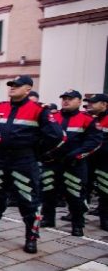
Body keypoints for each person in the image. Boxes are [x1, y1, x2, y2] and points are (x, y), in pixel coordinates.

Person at [0, 76, 64, 253]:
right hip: (0, 158)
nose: (12, 88)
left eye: (17, 86)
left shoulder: (39, 110)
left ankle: (31, 237)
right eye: (11, 85)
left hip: (23, 161)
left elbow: (57, 136)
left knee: (28, 200)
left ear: (28, 89)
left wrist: (38, 152)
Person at [40, 89, 102, 236]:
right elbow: (42, 136)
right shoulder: (52, 117)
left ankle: (77, 224)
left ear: (79, 102)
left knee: (75, 196)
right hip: (52, 162)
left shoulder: (87, 119)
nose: (66, 101)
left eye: (70, 98)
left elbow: (94, 141)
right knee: (48, 192)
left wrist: (75, 155)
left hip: (74, 164)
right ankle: (48, 219)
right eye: (64, 98)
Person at [85, 94, 108, 231]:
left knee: (105, 190)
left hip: (105, 162)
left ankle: (104, 219)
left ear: (104, 104)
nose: (90, 105)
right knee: (85, 187)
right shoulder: (90, 118)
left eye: (94, 103)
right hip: (89, 159)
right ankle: (78, 214)